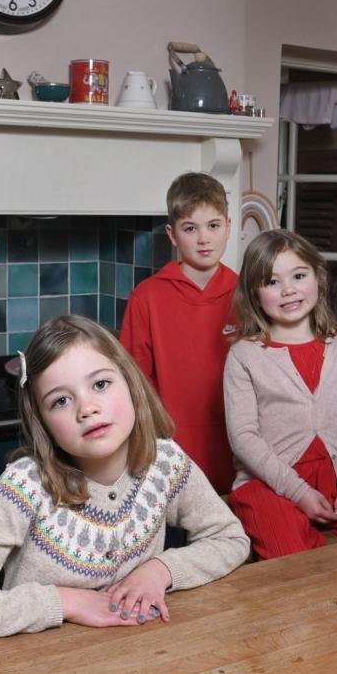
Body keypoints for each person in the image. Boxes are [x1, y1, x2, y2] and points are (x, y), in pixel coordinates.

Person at [0, 315, 249, 640]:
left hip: (136, 660)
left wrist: (160, 571)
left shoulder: (164, 461)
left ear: (131, 382)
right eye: (61, 400)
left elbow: (230, 539)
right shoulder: (26, 487)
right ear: (42, 422)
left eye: (101, 384)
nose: (86, 408)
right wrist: (65, 601)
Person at [224, 230, 337, 560]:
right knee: (293, 555)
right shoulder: (244, 356)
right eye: (272, 281)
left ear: (318, 277)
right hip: (269, 484)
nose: (289, 289)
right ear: (254, 292)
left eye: (298, 275)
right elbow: (243, 437)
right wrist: (298, 492)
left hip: (336, 480)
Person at [120, 172, 239, 494]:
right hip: (170, 450)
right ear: (173, 235)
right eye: (191, 228)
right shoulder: (147, 297)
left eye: (213, 226)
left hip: (238, 448)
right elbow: (136, 382)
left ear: (228, 226)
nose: (204, 239)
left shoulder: (248, 294)